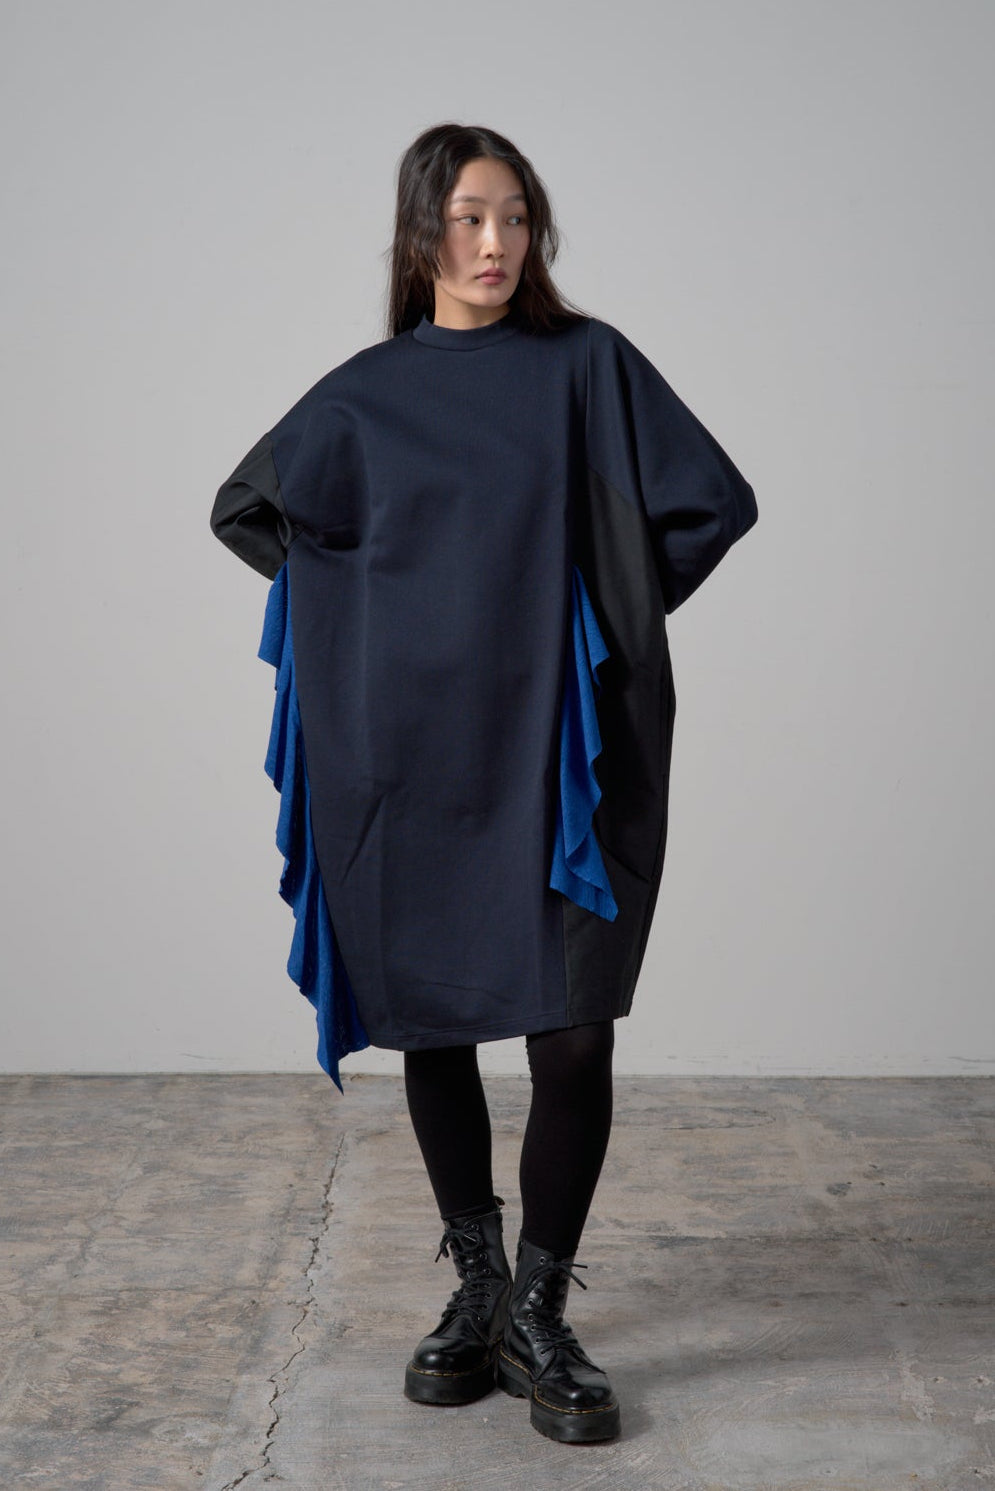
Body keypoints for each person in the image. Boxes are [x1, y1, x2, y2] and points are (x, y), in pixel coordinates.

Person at [210, 121, 758, 1445]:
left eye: (516, 216)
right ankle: (479, 1287)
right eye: (468, 217)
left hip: (562, 757)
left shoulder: (588, 367)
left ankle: (541, 1309)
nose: (497, 243)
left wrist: (600, 625)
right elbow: (250, 509)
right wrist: (374, 626)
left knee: (574, 1032)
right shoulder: (367, 395)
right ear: (422, 233)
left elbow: (711, 502)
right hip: (411, 759)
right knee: (436, 1020)